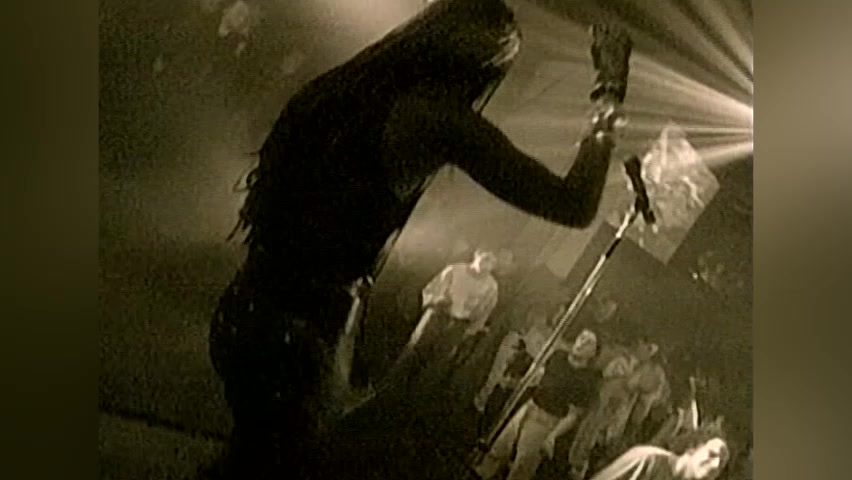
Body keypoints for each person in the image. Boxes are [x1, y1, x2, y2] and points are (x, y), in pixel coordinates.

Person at [207, 0, 634, 477]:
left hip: (248, 306)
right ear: (483, 64)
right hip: (299, 343)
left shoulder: (348, 88)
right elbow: (573, 204)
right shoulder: (436, 118)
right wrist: (609, 90)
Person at [475, 330, 601, 480]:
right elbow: (540, 376)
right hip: (530, 407)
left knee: (522, 465)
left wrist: (552, 436)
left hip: (546, 421)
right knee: (499, 448)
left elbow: (573, 415)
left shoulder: (586, 380)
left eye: (588, 342)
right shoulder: (558, 356)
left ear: (593, 353)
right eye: (581, 337)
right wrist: (517, 382)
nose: (581, 343)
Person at [587, 423, 730, 480]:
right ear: (692, 447)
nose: (715, 465)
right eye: (712, 454)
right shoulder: (648, 459)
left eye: (721, 465)